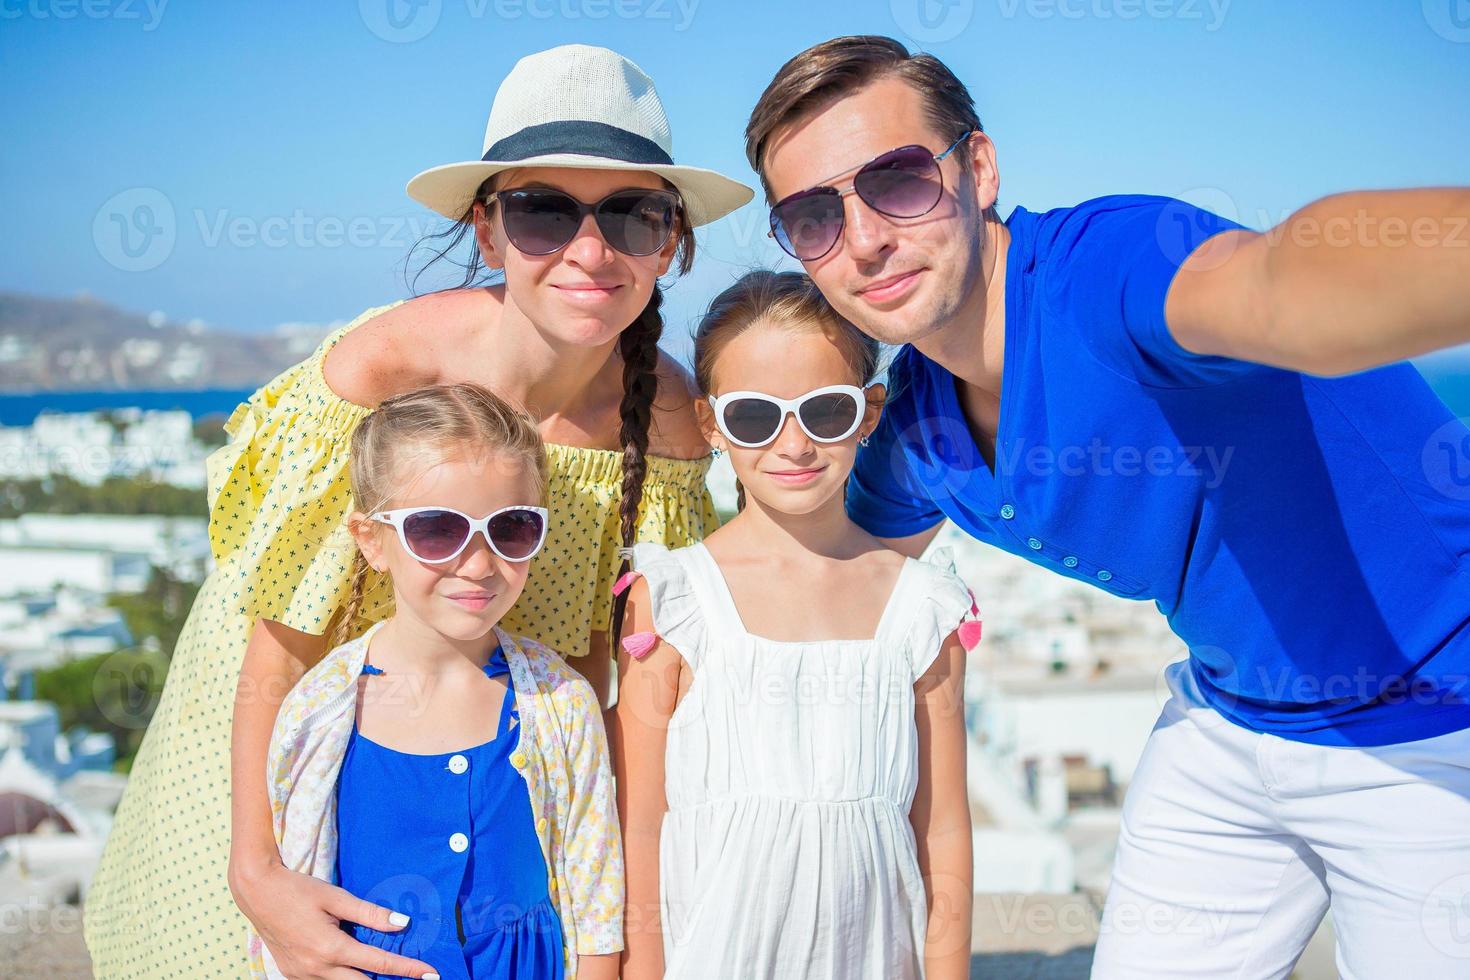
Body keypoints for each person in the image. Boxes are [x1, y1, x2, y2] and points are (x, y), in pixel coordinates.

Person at [745, 35, 1470, 979]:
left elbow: (1285, 285)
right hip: (1231, 721)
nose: (867, 238)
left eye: (897, 180)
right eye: (813, 216)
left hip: (1434, 724)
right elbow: (816, 561)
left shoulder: (1103, 275)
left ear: (979, 167)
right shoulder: (923, 425)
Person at [83, 44, 752, 978]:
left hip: (493, 795)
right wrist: (256, 871)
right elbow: (275, 651)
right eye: (543, 210)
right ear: (488, 231)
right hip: (293, 765)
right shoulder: (384, 373)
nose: (591, 251)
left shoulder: (670, 418)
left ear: (671, 240)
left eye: (634, 216)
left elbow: (606, 674)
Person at [612, 270, 980, 980]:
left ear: (869, 414)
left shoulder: (924, 610)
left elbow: (941, 829)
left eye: (826, 412)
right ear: (711, 424)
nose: (794, 443)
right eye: (755, 416)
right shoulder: (673, 599)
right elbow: (641, 827)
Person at [250, 383, 619, 980]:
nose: (477, 563)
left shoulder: (561, 701)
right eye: (438, 530)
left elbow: (594, 880)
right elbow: (295, 869)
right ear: (371, 540)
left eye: (513, 528)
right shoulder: (319, 707)